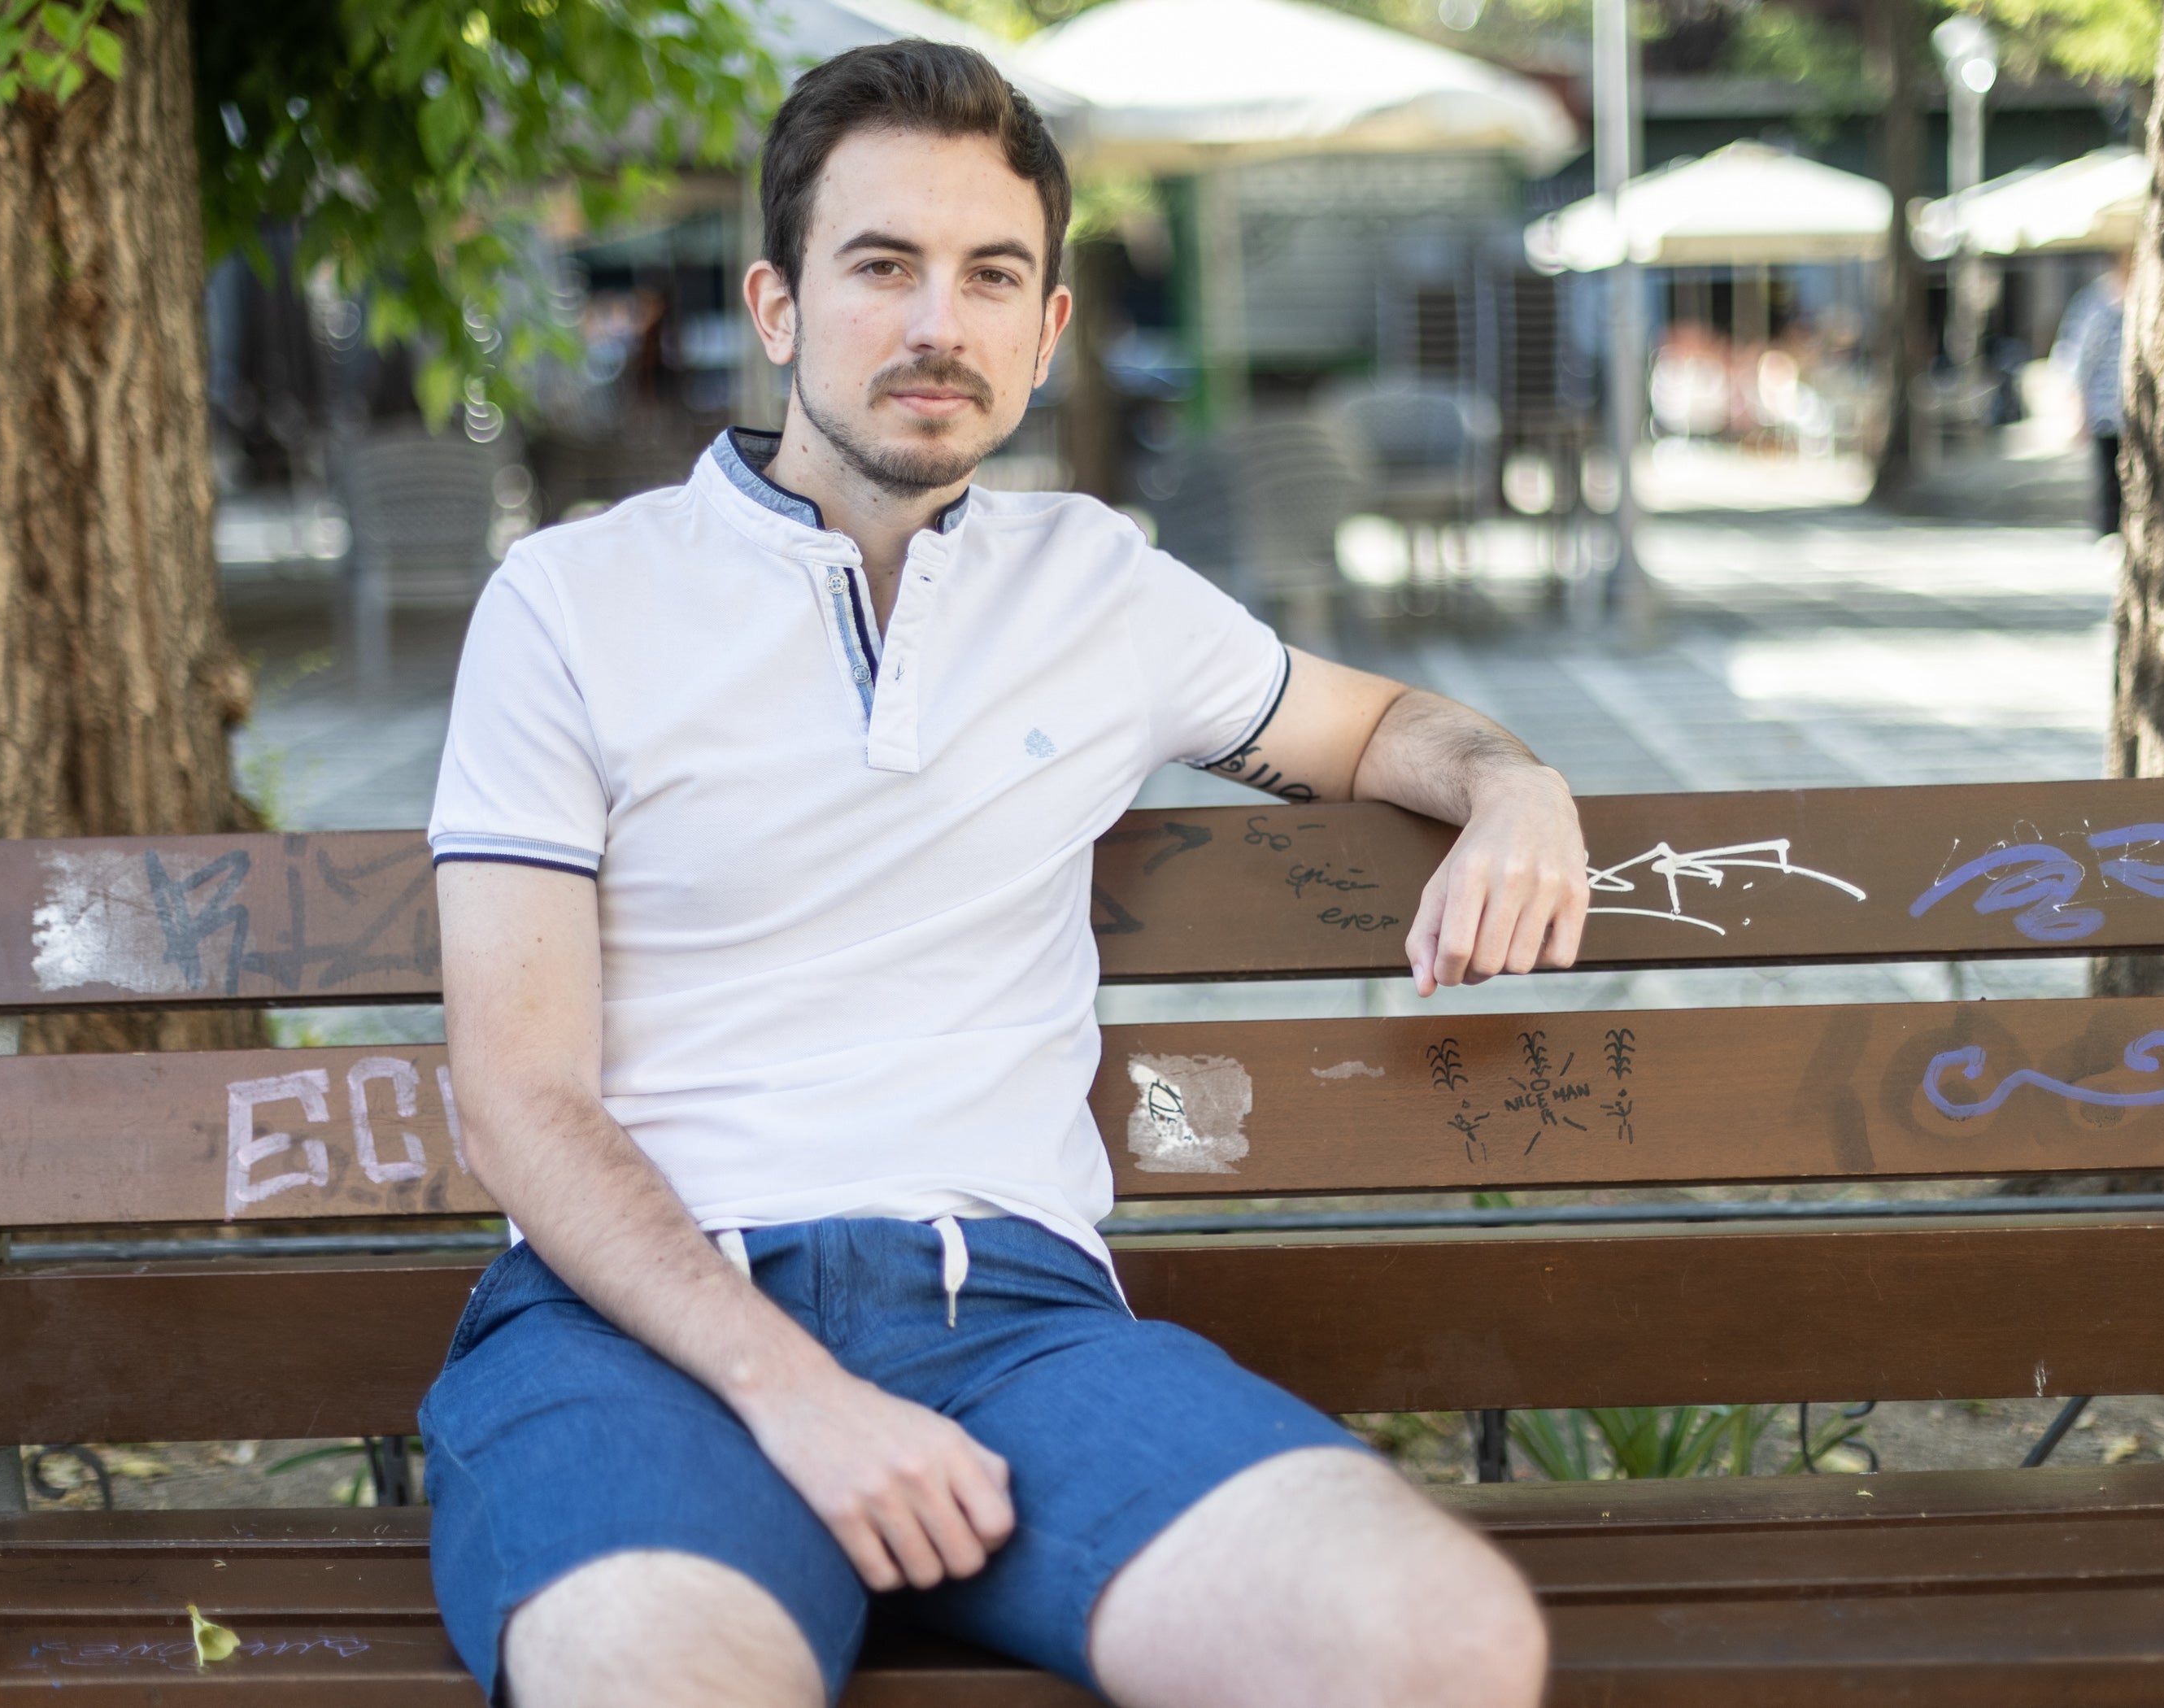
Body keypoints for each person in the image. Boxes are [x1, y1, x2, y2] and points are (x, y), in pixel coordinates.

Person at [421, 41, 1581, 1708]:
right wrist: (797, 1394)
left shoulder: (1100, 588)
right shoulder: (571, 603)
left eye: (990, 277)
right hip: (644, 1335)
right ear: (777, 304)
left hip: (1016, 1327)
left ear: (1046, 329)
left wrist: (1514, 783)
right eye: (880, 267)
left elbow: (1379, 725)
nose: (933, 325)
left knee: (1431, 1639)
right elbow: (518, 1094)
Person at [2052, 249, 2130, 539]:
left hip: (2138, 414)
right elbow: (2074, 360)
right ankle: (2111, 535)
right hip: (2106, 411)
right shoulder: (2095, 303)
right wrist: (2077, 411)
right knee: (2110, 480)